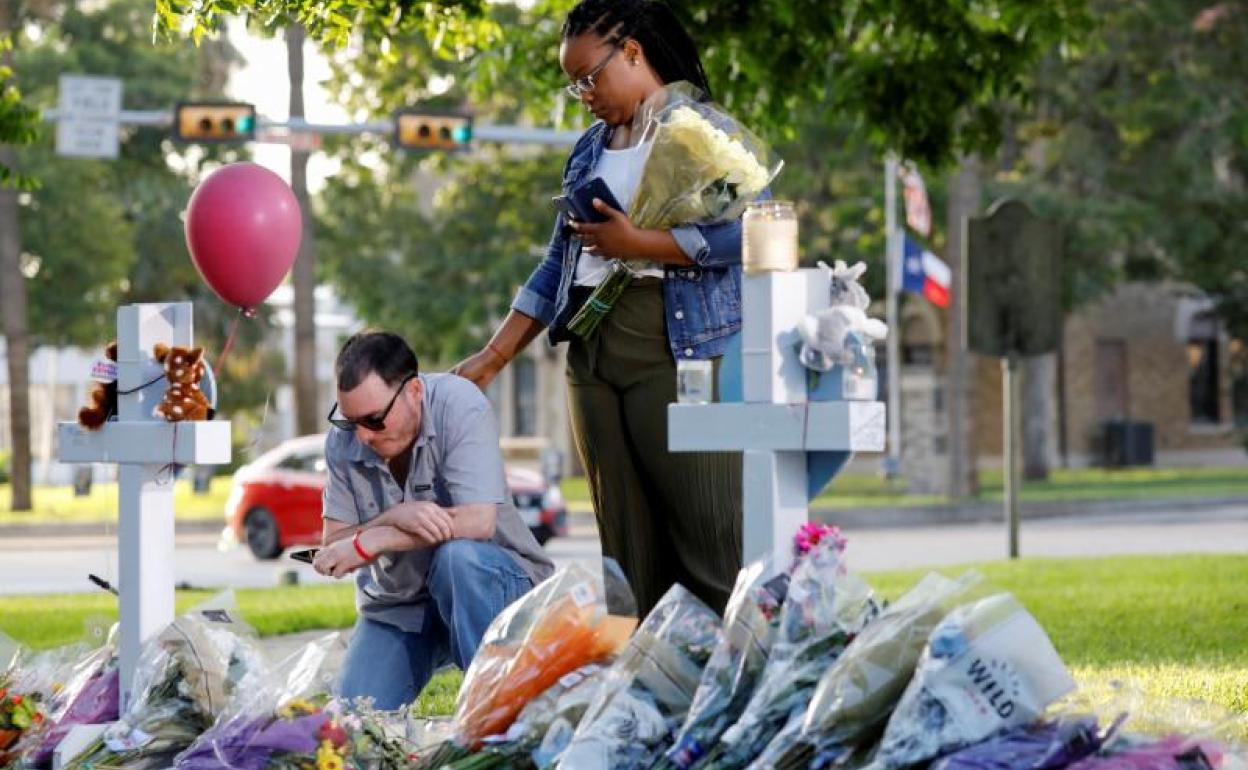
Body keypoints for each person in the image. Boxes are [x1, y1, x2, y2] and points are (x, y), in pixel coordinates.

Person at [455, 0, 745, 615]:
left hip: (670, 346)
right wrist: (493, 356)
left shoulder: (700, 131)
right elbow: (557, 264)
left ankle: (734, 679)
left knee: (708, 536)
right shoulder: (589, 148)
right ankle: (644, 686)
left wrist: (643, 245)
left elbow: (751, 235)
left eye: (590, 77)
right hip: (589, 351)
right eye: (573, 84)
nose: (583, 94)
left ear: (633, 53)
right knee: (625, 549)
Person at [314, 330, 554, 709]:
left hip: (490, 586)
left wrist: (378, 539)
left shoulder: (460, 404)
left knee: (459, 558)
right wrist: (394, 516)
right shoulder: (343, 442)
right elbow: (334, 545)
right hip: (400, 605)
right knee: (350, 726)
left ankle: (498, 716)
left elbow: (478, 522)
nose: (362, 436)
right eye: (350, 421)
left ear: (414, 392)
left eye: (374, 420)